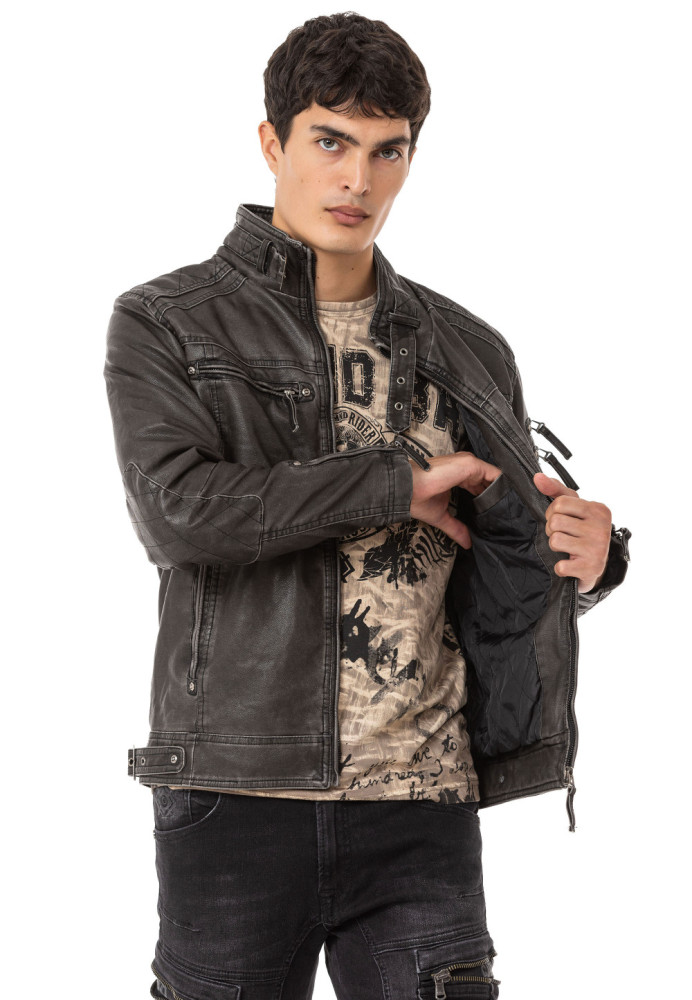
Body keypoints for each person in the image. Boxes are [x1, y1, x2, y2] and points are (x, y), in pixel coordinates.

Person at [103, 12, 631, 1000]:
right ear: (273, 143)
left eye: (388, 151)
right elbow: (177, 512)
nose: (357, 181)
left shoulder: (469, 347)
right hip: (237, 791)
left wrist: (592, 558)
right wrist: (393, 480)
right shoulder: (167, 322)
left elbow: (501, 562)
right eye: (330, 142)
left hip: (423, 801)